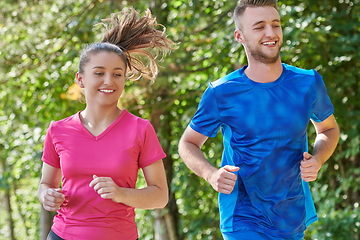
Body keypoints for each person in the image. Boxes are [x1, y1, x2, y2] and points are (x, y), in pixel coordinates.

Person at [178, 0, 340, 239]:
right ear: (239, 36)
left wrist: (318, 159)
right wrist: (211, 174)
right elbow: (187, 143)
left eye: (276, 25)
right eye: (259, 26)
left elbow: (328, 129)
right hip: (243, 216)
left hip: (291, 215)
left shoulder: (308, 83)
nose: (270, 33)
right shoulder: (221, 92)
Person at [38, 8, 175, 240]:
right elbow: (45, 184)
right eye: (99, 73)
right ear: (80, 79)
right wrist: (47, 196)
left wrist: (121, 193)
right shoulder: (58, 130)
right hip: (63, 235)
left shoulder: (140, 129)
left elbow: (160, 195)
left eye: (117, 74)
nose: (108, 81)